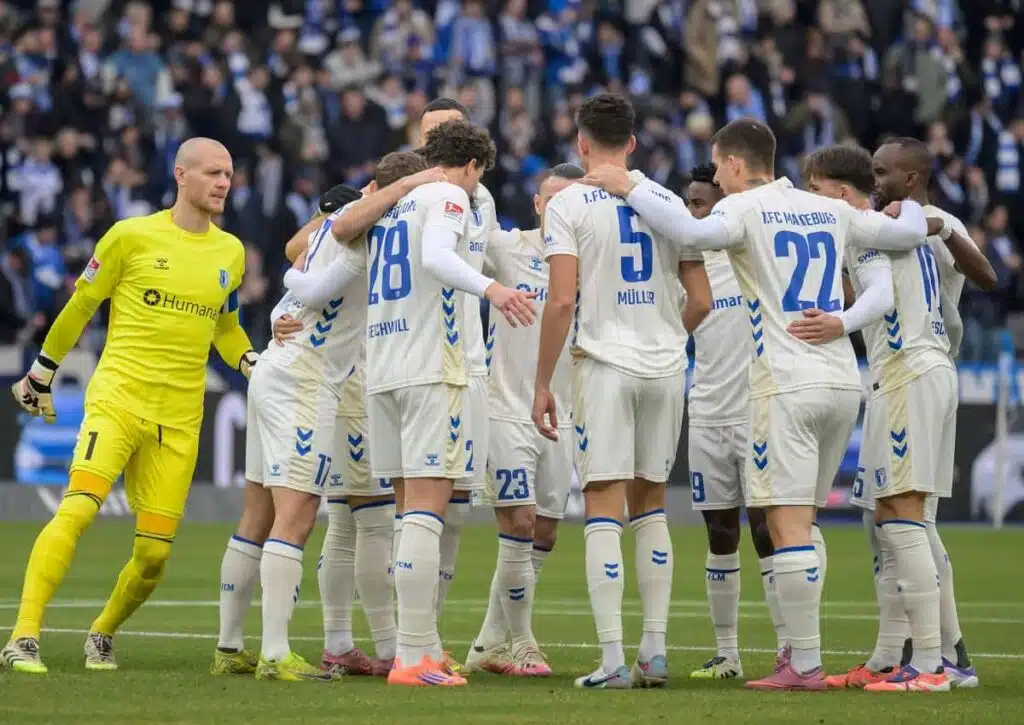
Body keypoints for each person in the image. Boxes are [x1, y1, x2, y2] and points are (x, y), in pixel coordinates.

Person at [583, 117, 928, 690]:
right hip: (842, 378)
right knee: (805, 523)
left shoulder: (744, 208)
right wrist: (912, 206)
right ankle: (799, 654)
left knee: (785, 524)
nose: (717, 174)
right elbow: (907, 236)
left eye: (719, 165)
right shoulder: (828, 207)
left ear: (735, 164)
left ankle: (806, 664)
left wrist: (630, 186)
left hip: (784, 382)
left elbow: (688, 234)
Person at [4, 138, 256, 674]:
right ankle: (24, 635)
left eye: (229, 174)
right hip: (118, 399)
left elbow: (227, 328)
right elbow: (81, 306)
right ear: (180, 175)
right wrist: (41, 372)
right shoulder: (130, 236)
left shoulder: (230, 253)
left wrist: (252, 363)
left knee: (154, 557)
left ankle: (102, 632)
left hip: (181, 420)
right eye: (212, 172)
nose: (223, 183)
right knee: (76, 509)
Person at [328, 119, 534, 686]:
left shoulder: (393, 205)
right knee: (427, 509)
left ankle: (418, 647)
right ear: (471, 167)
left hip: (386, 370)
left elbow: (339, 235)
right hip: (434, 371)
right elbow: (441, 257)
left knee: (404, 513)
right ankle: (414, 659)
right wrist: (492, 288)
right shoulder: (446, 195)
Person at [211, 177, 427, 680]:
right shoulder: (357, 238)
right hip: (306, 382)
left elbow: (297, 253)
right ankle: (275, 654)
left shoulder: (324, 233)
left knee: (257, 515)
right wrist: (397, 190)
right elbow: (318, 263)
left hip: (274, 370)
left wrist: (288, 304)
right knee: (298, 516)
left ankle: (229, 647)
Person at [533, 93, 713, 690]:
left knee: (604, 503)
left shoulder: (569, 204)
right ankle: (654, 651)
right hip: (666, 370)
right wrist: (662, 335)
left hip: (605, 365)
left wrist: (542, 382)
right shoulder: (666, 201)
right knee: (652, 504)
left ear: (581, 143)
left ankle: (612, 660)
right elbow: (703, 302)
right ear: (632, 143)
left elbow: (561, 301)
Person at [823, 138, 995, 691]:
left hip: (913, 369)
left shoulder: (922, 222)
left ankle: (933, 663)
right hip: (901, 374)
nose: (877, 181)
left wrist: (942, 229)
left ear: (913, 178)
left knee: (905, 515)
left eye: (884, 172)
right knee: (888, 518)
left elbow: (988, 278)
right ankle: (902, 656)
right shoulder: (881, 224)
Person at [465, 163, 584, 677]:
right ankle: (523, 641)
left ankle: (489, 642)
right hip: (507, 408)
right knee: (519, 520)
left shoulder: (592, 258)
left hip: (564, 413)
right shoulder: (508, 248)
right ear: (537, 205)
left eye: (567, 201)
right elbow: (466, 232)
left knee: (546, 533)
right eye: (550, 201)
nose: (557, 209)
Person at [682, 164, 784, 681]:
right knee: (720, 531)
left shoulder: (755, 256)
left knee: (767, 528)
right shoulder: (685, 267)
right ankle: (728, 653)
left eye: (704, 204)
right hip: (706, 412)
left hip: (756, 410)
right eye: (691, 205)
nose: (696, 213)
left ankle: (789, 648)